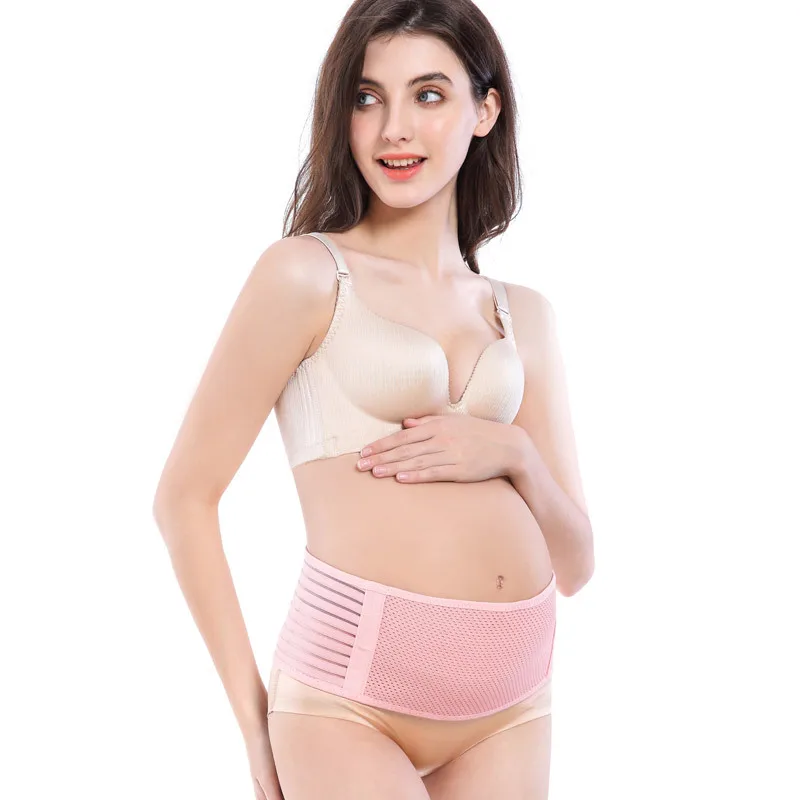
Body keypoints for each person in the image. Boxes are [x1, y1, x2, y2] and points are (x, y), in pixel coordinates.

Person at [153, 1, 595, 797]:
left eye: (428, 94)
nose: (394, 129)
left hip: (514, 705)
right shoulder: (306, 275)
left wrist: (516, 454)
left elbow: (578, 564)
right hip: (347, 704)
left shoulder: (524, 314)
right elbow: (183, 499)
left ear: (485, 110)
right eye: (367, 97)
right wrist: (255, 724)